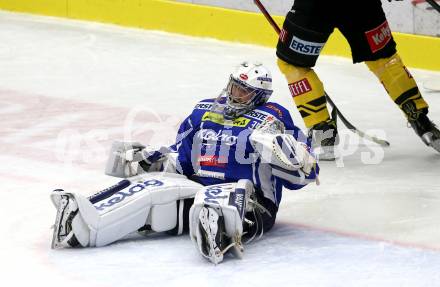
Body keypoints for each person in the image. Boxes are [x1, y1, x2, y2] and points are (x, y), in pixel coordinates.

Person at [50, 62, 319, 264]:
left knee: (221, 194)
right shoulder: (205, 110)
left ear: (259, 96)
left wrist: (284, 150)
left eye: (244, 91)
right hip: (196, 191)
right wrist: (153, 162)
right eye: (234, 86)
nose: (235, 94)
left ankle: (218, 230)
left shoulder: (274, 119)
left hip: (253, 201)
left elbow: (304, 174)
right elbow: (183, 157)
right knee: (149, 186)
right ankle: (83, 223)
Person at [276, 0, 440, 159]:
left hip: (317, 6)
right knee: (384, 60)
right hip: (363, 6)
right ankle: (419, 118)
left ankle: (322, 133)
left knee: (293, 63)